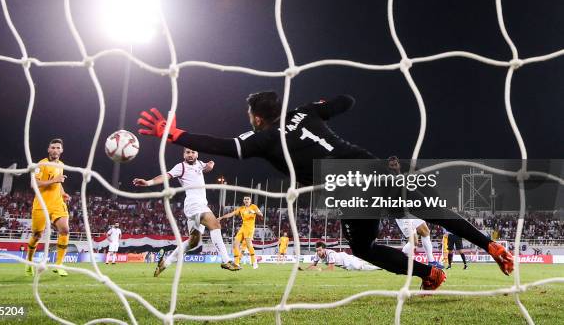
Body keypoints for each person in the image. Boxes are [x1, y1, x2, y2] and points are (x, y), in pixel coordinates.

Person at [137, 92, 513, 290]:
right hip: (370, 163)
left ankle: (429, 274)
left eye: (250, 115)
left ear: (256, 116)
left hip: (347, 184)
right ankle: (491, 245)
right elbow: (347, 100)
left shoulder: (264, 137)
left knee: (364, 247)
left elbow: (227, 147)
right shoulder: (306, 111)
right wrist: (319, 106)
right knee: (426, 208)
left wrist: (174, 134)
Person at [133, 147, 239, 275]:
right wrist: (148, 183)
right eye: (187, 152)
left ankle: (165, 263)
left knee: (193, 242)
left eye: (193, 152)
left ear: (197, 154)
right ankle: (226, 260)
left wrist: (210, 165)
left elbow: (206, 168)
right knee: (215, 224)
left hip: (197, 206)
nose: (190, 154)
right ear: (184, 154)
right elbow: (166, 176)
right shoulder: (181, 167)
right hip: (194, 204)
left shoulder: (199, 163)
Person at [387, 156, 444, 269]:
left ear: (399, 164)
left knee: (425, 231)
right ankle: (398, 259)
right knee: (414, 242)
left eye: (395, 164)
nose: (394, 167)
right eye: (391, 165)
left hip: (411, 210)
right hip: (401, 214)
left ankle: (431, 262)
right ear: (389, 167)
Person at [25, 138, 70, 277]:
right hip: (41, 205)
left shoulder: (61, 164)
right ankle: (29, 261)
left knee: (65, 230)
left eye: (58, 148)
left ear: (61, 150)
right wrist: (54, 180)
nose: (55, 150)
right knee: (37, 235)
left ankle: (59, 264)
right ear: (48, 150)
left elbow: (59, 183)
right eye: (53, 147)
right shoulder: (41, 164)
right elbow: (34, 184)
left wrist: (63, 194)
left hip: (57, 204)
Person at [219, 196, 263, 269]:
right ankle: (236, 263)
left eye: (248, 199)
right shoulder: (241, 208)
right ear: (243, 200)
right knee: (235, 244)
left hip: (250, 228)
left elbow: (261, 214)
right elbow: (231, 213)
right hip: (243, 227)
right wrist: (222, 217)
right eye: (245, 199)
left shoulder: (253, 206)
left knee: (249, 245)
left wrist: (254, 212)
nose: (246, 200)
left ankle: (254, 261)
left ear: (250, 200)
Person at [306, 241, 380, 271]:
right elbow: (313, 264)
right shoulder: (317, 254)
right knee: (358, 266)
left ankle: (379, 267)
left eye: (320, 250)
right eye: (317, 250)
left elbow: (331, 269)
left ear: (324, 249)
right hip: (344, 263)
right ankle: (374, 263)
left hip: (346, 259)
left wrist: (321, 270)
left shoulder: (330, 254)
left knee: (360, 267)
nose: (318, 252)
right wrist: (305, 270)